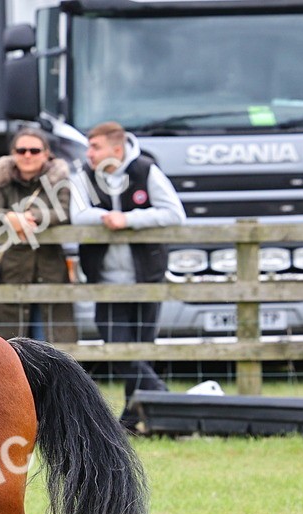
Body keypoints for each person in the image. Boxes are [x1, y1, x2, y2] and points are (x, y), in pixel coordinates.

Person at [70, 120, 187, 431]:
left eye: (95, 147)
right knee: (120, 348)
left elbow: (175, 213)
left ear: (116, 149)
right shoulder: (83, 175)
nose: (89, 153)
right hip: (105, 281)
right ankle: (167, 401)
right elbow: (76, 213)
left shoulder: (146, 170)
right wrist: (106, 218)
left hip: (145, 278)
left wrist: (130, 219)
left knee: (140, 349)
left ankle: (133, 418)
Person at [0, 127, 75, 342]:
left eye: (34, 150)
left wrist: (30, 216)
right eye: (21, 150)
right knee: (10, 346)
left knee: (51, 346)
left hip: (50, 271)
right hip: (11, 272)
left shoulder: (60, 180)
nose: (28, 155)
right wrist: (9, 217)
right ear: (13, 153)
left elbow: (64, 212)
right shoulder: (1, 180)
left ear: (46, 153)